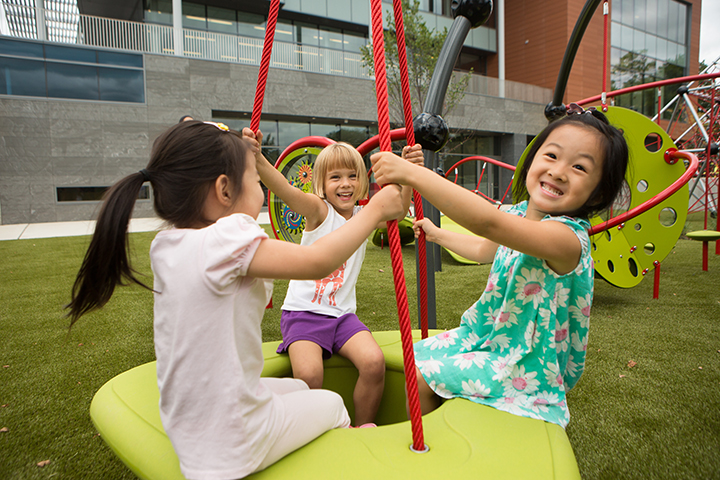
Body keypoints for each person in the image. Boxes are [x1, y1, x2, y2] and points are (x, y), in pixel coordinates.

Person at [66, 120, 405, 479]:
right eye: (256, 181)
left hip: (190, 427)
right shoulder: (228, 239)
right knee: (333, 403)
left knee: (294, 387)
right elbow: (317, 262)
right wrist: (375, 210)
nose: (260, 187)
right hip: (234, 443)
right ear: (225, 190)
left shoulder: (166, 244)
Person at [370, 108, 628, 428]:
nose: (559, 171)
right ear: (532, 159)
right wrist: (438, 235)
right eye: (551, 155)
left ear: (598, 192)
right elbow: (483, 249)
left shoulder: (566, 239)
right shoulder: (518, 213)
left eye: (579, 167)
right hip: (485, 337)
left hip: (523, 363)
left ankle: (426, 445)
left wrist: (414, 175)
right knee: (414, 356)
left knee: (422, 377)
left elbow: (488, 224)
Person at [244, 128, 423, 426]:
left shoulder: (366, 216)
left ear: (363, 180)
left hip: (342, 317)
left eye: (352, 176)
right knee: (310, 375)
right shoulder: (318, 211)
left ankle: (361, 425)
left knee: (374, 363)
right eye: (335, 177)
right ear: (322, 185)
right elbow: (286, 191)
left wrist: (408, 173)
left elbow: (400, 207)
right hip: (304, 314)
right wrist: (258, 159)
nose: (345, 184)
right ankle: (316, 429)